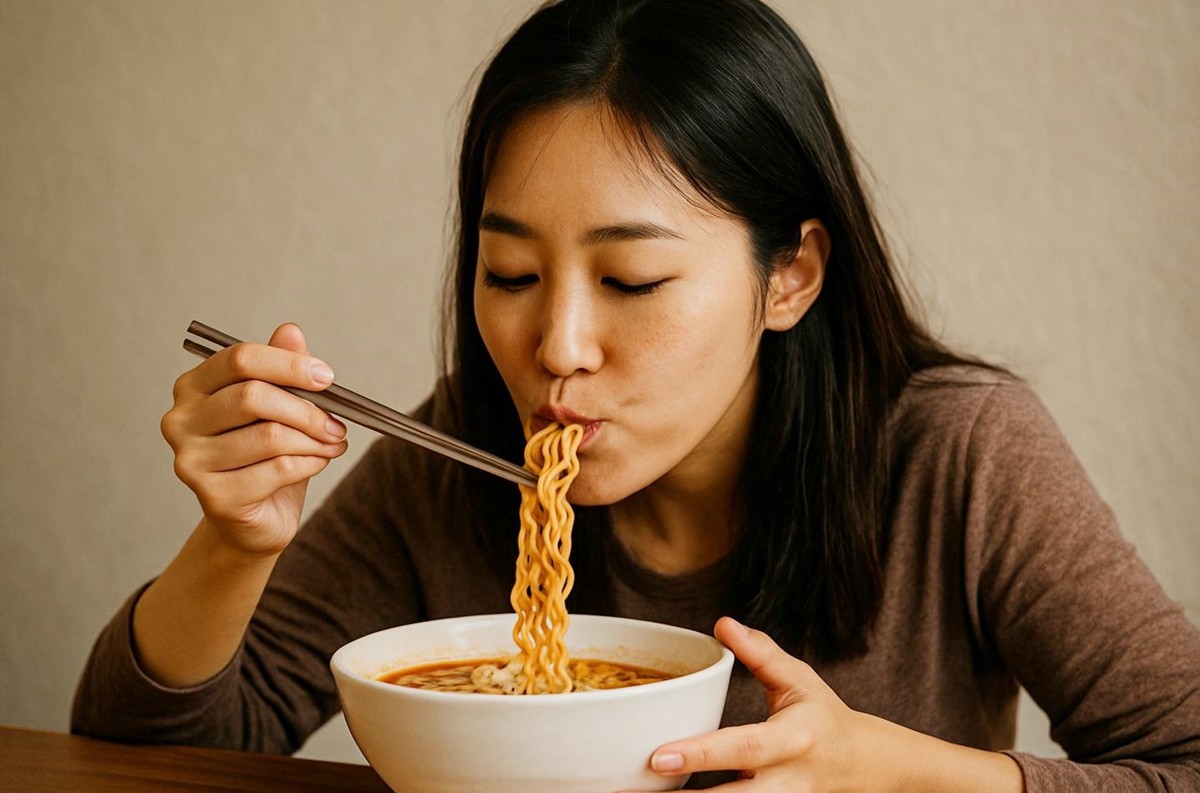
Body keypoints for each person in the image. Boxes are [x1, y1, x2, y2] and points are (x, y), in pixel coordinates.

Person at [72, 0, 1200, 790]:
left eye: (632, 279)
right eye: (509, 273)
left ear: (789, 276)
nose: (556, 344)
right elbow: (144, 755)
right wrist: (233, 543)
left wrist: (904, 774)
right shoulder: (455, 450)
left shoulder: (958, 455)